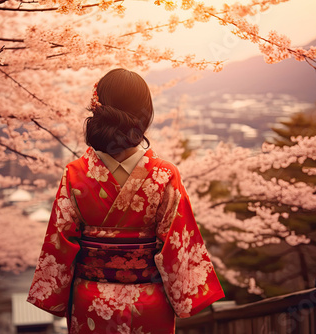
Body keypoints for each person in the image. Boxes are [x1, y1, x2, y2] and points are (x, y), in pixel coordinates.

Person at [27, 68, 224, 334]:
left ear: (98, 110)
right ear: (145, 114)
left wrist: (54, 294)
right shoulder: (164, 175)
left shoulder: (75, 174)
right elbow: (179, 244)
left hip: (91, 303)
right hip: (149, 303)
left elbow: (59, 245)